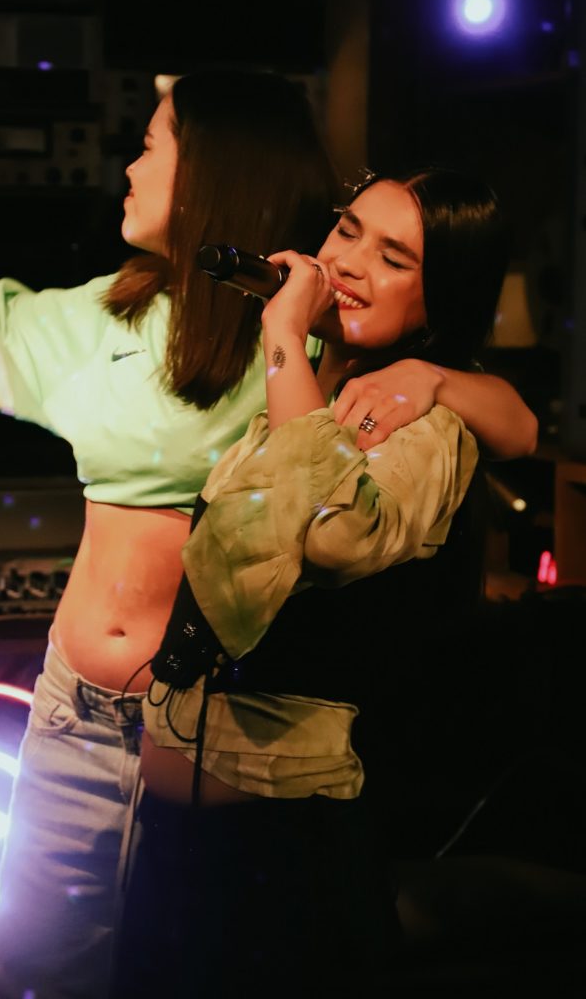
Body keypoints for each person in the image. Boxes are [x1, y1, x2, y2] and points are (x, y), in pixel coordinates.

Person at [0, 70, 534, 997]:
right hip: (84, 709)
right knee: (34, 975)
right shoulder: (157, 316)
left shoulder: (317, 346)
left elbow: (495, 429)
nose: (129, 165)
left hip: (217, 744)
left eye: (151, 145)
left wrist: (438, 377)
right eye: (347, 231)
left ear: (212, 174)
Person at [113, 167, 516, 998]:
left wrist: (284, 338)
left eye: (395, 258)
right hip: (183, 842)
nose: (351, 262)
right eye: (347, 231)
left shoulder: (424, 425)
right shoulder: (307, 403)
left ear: (441, 297)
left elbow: (330, 533)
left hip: (287, 858)